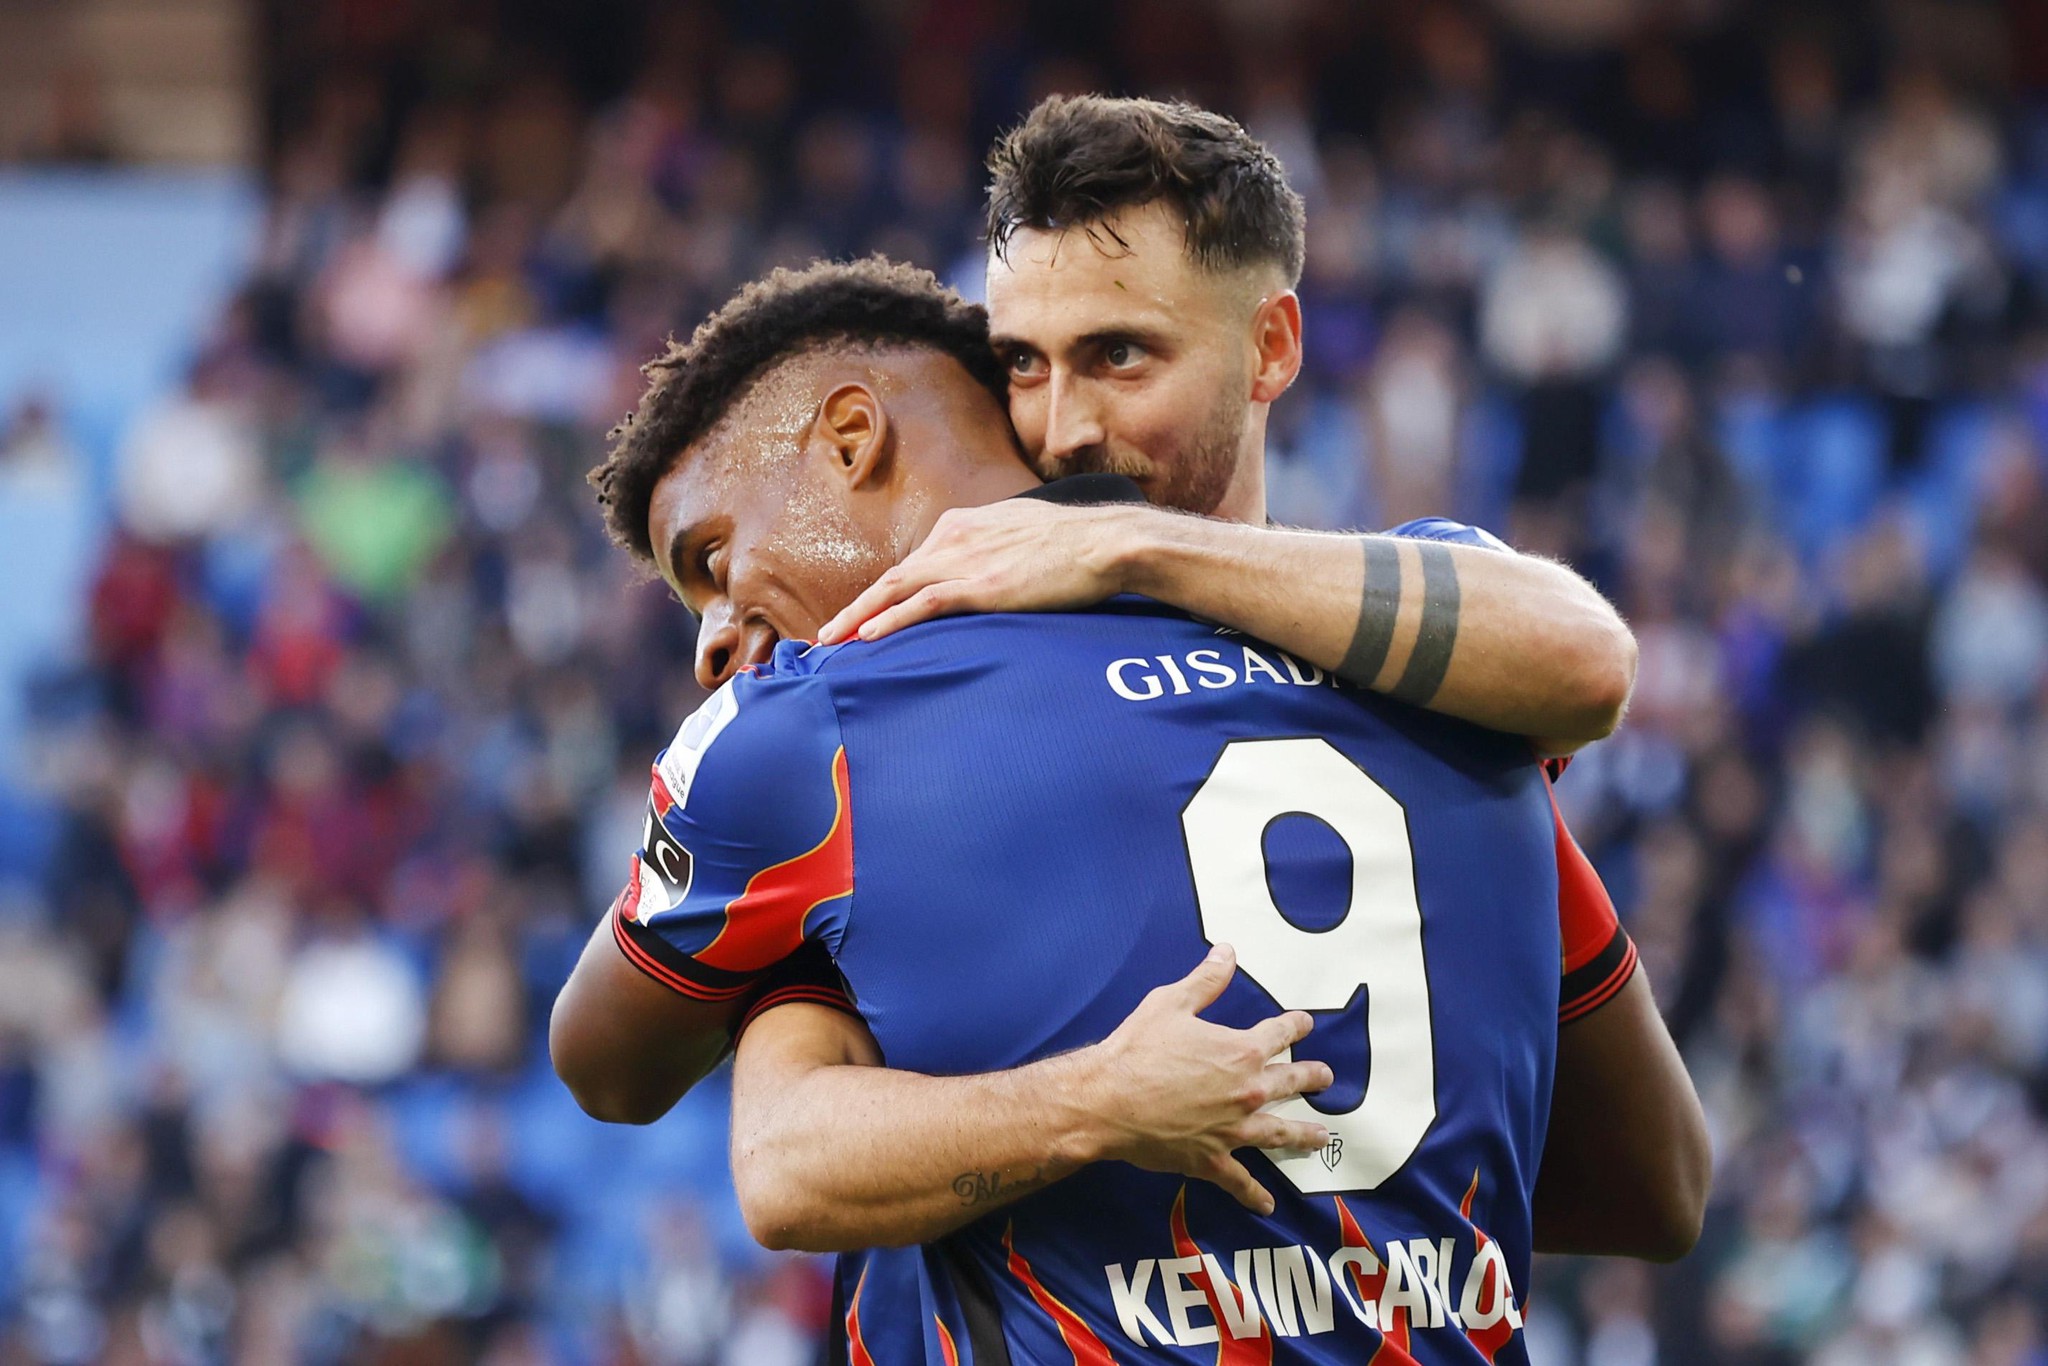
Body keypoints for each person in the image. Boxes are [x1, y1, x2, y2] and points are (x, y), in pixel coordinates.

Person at [552, 95, 1707, 1274]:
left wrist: (1128, 547)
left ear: (1270, 347)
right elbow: (1653, 1182)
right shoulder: (1437, 675)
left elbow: (627, 1072)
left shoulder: (827, 733)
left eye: (1117, 355)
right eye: (1019, 364)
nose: (1061, 428)